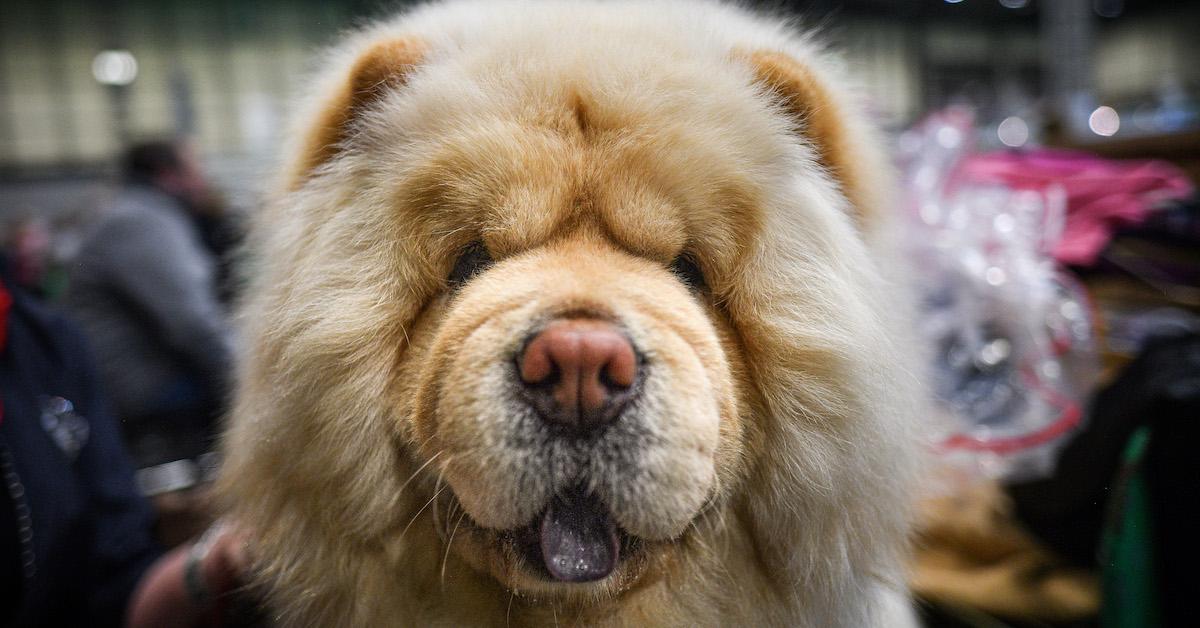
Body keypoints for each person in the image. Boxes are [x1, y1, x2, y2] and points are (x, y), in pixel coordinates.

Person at [1, 255, 244, 627]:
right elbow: (194, 324)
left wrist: (214, 560)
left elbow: (117, 585)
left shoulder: (47, 344)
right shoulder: (139, 221)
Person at [64, 141, 234, 469]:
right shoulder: (140, 221)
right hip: (149, 397)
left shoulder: (136, 213)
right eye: (196, 170)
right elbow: (193, 323)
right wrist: (248, 388)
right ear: (168, 175)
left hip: (139, 388)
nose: (204, 180)